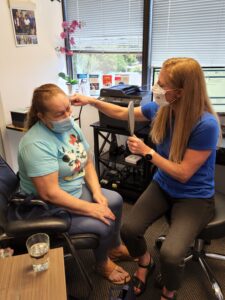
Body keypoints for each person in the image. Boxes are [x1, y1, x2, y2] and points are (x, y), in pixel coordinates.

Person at [71, 57, 221, 299]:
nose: (156, 88)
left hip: (194, 197)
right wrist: (90, 101)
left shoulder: (206, 124)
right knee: (129, 230)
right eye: (157, 82)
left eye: (162, 85)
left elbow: (183, 173)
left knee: (172, 255)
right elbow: (121, 111)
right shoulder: (161, 109)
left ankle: (168, 291)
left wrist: (147, 152)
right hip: (163, 186)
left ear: (181, 92)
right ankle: (145, 262)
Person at [18, 83, 132, 285]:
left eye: (68, 108)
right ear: (41, 115)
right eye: (59, 114)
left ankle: (113, 247)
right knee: (103, 222)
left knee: (114, 199)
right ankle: (102, 263)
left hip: (73, 190)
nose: (67, 116)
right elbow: (50, 194)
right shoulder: (35, 143)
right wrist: (92, 209)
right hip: (46, 206)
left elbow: (86, 162)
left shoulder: (70, 126)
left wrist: (97, 193)